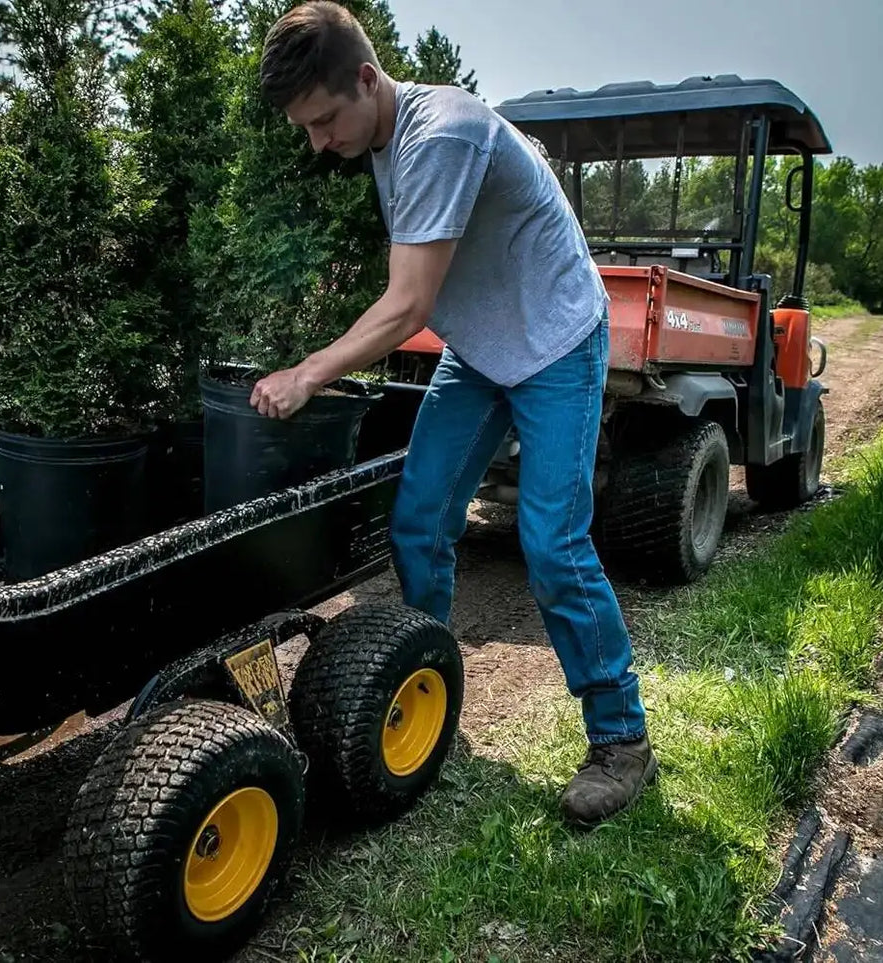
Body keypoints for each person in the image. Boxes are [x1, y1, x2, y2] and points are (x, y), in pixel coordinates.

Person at [247, 1, 656, 827]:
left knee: (552, 544)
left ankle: (621, 737)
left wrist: (307, 373)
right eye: (306, 128)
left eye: (324, 119)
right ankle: (417, 677)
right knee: (419, 519)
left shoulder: (441, 132)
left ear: (367, 79)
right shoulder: (383, 134)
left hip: (552, 343)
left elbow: (406, 306)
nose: (318, 142)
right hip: (480, 350)